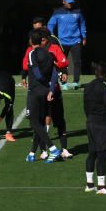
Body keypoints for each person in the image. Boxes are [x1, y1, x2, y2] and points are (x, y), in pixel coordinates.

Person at [24, 30, 62, 163]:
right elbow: (54, 73)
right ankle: (32, 153)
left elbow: (37, 73)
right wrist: (51, 89)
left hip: (35, 92)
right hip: (46, 93)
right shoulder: (49, 54)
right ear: (41, 41)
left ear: (30, 41)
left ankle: (52, 149)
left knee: (34, 123)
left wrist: (44, 84)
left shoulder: (31, 54)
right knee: (39, 123)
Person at [83, 62, 106, 195]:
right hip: (101, 123)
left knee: (92, 152)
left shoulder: (88, 86)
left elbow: (85, 106)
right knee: (103, 153)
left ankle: (89, 184)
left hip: (90, 121)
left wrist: (90, 118)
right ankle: (102, 187)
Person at [47, 0, 86, 89]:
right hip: (62, 42)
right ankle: (63, 83)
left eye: (71, 2)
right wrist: (52, 37)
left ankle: (76, 82)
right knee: (61, 62)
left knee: (77, 62)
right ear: (63, 2)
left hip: (76, 41)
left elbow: (82, 24)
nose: (70, 4)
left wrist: (84, 37)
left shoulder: (78, 11)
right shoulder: (57, 12)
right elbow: (50, 25)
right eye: (68, 2)